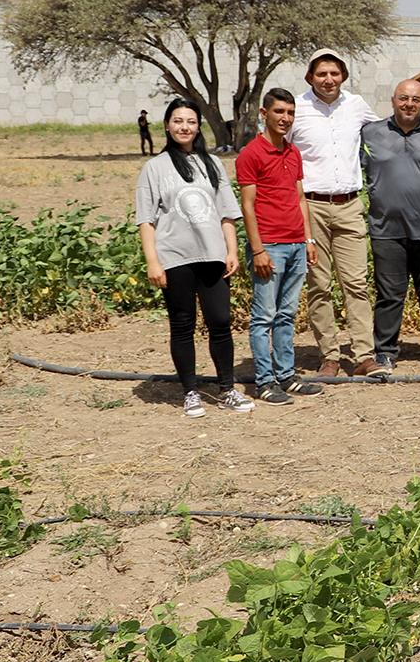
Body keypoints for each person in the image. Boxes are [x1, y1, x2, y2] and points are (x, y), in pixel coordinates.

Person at [136, 98, 251, 417]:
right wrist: (153, 261)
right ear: (167, 125)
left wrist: (231, 250)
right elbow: (146, 219)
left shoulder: (212, 163)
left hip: (212, 255)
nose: (184, 127)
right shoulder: (154, 168)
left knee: (220, 322)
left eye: (190, 121)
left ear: (198, 127)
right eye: (177, 121)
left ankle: (227, 389)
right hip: (174, 258)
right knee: (182, 324)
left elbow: (227, 212)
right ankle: (190, 392)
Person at [290, 48, 380, 376]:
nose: (329, 80)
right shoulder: (297, 109)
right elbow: (279, 150)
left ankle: (363, 356)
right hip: (310, 206)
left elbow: (382, 135)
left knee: (355, 282)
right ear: (310, 77)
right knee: (319, 284)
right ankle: (329, 355)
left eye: (335, 74)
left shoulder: (356, 106)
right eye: (322, 74)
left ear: (343, 75)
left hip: (349, 205)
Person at [360, 77, 420, 376]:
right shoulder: (370, 133)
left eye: (416, 100)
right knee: (390, 294)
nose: (409, 104)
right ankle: (385, 351)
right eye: (403, 98)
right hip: (386, 229)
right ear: (393, 101)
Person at [234, 87, 323, 403]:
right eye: (279, 112)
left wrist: (308, 239)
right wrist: (257, 249)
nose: (285, 118)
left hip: (296, 244)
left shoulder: (293, 152)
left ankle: (286, 375)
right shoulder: (251, 154)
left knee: (287, 314)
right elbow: (247, 205)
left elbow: (299, 198)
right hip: (269, 246)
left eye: (290, 113)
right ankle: (264, 381)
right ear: (264, 114)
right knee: (264, 317)